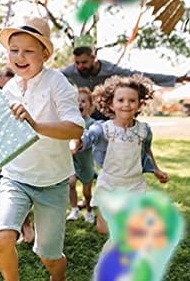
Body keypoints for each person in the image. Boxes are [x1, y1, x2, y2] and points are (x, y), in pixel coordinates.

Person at [0, 16, 84, 281]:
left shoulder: (58, 84)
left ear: (45, 54)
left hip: (53, 181)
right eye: (13, 50)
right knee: (1, 236)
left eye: (28, 51)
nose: (19, 57)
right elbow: (3, 133)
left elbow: (75, 128)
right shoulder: (8, 89)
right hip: (16, 176)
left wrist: (36, 124)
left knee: (48, 253)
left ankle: (58, 279)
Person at [72, 74, 168, 235]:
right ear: (111, 104)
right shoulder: (103, 128)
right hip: (109, 183)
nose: (126, 105)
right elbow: (87, 138)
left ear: (139, 105)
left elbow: (146, 151)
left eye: (132, 100)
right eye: (121, 100)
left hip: (134, 184)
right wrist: (76, 143)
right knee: (103, 229)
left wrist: (156, 170)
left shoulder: (144, 130)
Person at [0, 65, 35, 245]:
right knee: (8, 192)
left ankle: (28, 226)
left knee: (26, 190)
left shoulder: (24, 104)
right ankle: (22, 227)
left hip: (25, 155)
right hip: (4, 157)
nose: (3, 93)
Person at [61, 46, 189, 95]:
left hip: (105, 111)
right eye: (77, 63)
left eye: (84, 62)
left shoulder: (110, 69)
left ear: (94, 58)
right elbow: (54, 75)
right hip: (85, 111)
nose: (80, 67)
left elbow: (140, 75)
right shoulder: (72, 71)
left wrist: (175, 79)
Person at [67, 88, 96, 224]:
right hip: (72, 161)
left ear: (90, 105)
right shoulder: (69, 123)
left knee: (87, 192)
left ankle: (89, 211)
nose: (80, 104)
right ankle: (74, 209)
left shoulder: (92, 124)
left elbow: (91, 140)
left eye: (83, 101)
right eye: (76, 101)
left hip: (86, 163)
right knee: (70, 183)